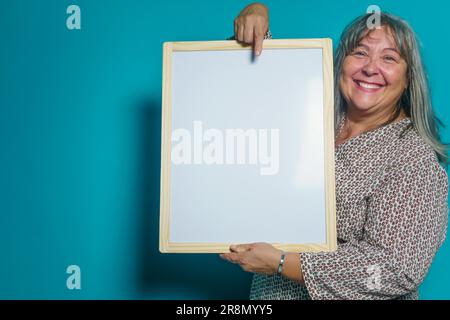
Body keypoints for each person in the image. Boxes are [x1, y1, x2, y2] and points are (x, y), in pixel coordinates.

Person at [220, 2, 449, 300]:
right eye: (360, 52)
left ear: (408, 79)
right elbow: (251, 91)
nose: (370, 67)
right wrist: (255, 17)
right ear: (341, 61)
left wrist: (280, 263)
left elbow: (394, 270)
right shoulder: (308, 117)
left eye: (389, 58)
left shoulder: (412, 158)